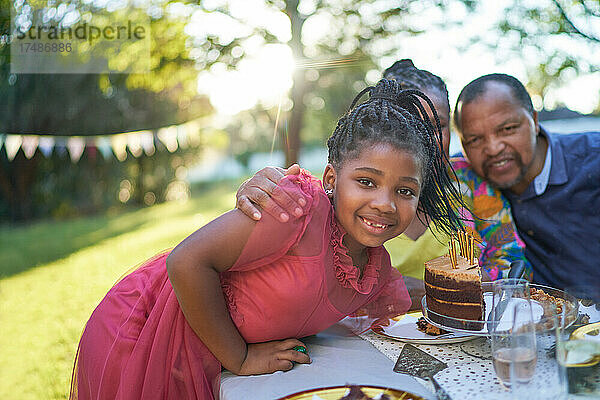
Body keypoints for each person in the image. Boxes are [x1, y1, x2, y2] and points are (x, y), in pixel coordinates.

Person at [70, 79, 467, 400]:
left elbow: (413, 296)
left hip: (210, 358)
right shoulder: (297, 210)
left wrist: (477, 291)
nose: (384, 204)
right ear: (331, 180)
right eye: (366, 182)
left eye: (405, 191)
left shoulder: (373, 271)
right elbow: (186, 262)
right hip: (144, 333)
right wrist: (240, 358)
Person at [236, 60, 531, 294]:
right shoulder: (350, 197)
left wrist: (447, 291)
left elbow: (513, 258)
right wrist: (261, 189)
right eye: (411, 123)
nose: (425, 138)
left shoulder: (469, 184)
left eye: (438, 124)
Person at [453, 73, 600, 289]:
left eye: (508, 129)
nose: (493, 148)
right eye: (475, 139)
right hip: (531, 317)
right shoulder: (467, 182)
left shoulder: (593, 161)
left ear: (534, 120)